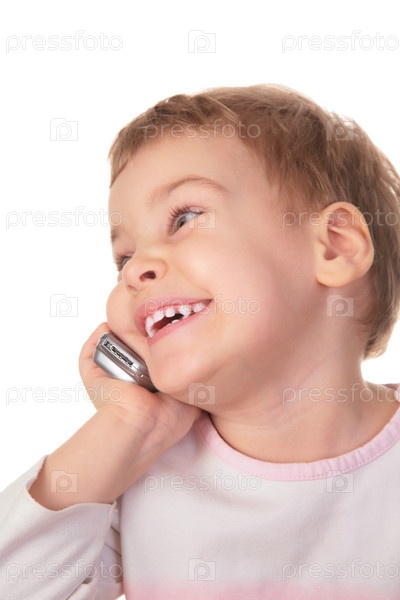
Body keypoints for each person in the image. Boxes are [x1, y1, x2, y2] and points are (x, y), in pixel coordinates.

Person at [1, 84, 400, 600]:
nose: (136, 270)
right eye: (124, 258)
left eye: (184, 218)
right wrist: (127, 426)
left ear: (334, 247)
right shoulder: (138, 481)